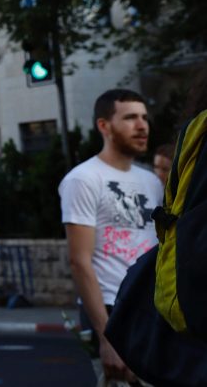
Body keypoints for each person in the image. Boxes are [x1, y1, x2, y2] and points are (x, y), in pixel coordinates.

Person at [59, 89, 162, 386]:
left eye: (144, 117)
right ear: (104, 126)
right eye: (130, 117)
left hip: (151, 307)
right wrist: (107, 337)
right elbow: (79, 261)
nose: (142, 125)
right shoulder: (84, 178)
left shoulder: (151, 180)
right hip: (111, 308)